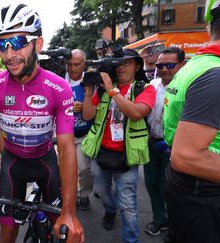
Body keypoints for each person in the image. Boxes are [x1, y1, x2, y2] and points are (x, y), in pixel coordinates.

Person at [0, 3, 84, 243]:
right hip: (13, 164)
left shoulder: (59, 88)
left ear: (38, 44)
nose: (10, 54)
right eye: (2, 44)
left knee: (63, 231)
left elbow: (65, 147)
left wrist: (70, 213)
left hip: (46, 162)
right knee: (7, 234)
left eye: (19, 42)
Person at [82, 48, 156, 243]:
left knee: (129, 204)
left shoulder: (145, 89)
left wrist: (111, 90)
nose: (122, 67)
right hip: (101, 153)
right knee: (103, 193)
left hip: (127, 156)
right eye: (119, 63)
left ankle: (131, 240)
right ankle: (110, 210)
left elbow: (136, 113)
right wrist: (89, 92)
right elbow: (88, 115)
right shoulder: (103, 89)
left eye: (127, 63)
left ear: (137, 65)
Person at [163, 1, 220, 242]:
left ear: (208, 27)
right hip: (204, 195)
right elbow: (188, 156)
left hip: (189, 191)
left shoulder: (196, 65)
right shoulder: (215, 74)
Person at [143, 47, 186, 237]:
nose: (164, 69)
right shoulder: (151, 85)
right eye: (160, 65)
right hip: (152, 143)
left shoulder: (188, 87)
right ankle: (159, 220)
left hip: (176, 147)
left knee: (169, 187)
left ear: (182, 65)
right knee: (151, 184)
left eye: (170, 65)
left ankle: (175, 224)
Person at [65, 49, 94, 211]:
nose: (73, 68)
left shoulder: (90, 81)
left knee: (84, 168)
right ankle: (70, 196)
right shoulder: (60, 80)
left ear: (84, 64)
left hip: (84, 133)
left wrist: (85, 107)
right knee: (67, 169)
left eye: (77, 65)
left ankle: (84, 194)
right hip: (64, 134)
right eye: (69, 65)